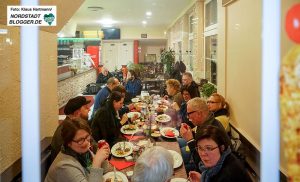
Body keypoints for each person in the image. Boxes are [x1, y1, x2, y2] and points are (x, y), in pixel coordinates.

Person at [45, 118, 110, 182]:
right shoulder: (64, 166)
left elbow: (105, 171)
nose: (86, 143)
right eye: (80, 140)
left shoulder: (83, 151)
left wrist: (104, 157)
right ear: (68, 143)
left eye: (87, 136)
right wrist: (97, 162)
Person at [179, 97, 228, 173]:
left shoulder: (211, 131)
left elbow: (200, 161)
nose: (187, 117)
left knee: (179, 166)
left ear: (199, 113)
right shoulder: (206, 121)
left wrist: (189, 140)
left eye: (189, 114)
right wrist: (190, 134)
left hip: (211, 169)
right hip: (199, 155)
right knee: (178, 141)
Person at [50, 96, 91, 162]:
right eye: (86, 107)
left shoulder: (77, 126)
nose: (89, 109)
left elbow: (91, 143)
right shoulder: (66, 131)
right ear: (77, 113)